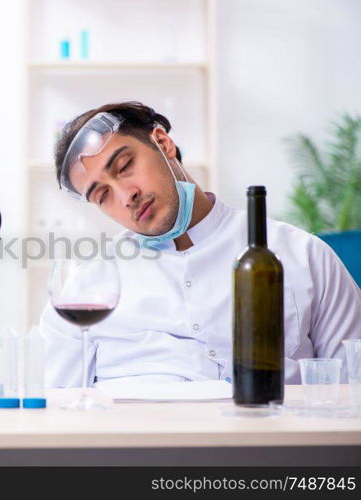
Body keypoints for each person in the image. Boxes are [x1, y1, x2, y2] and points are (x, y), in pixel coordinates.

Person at [40, 101, 361, 387]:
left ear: (162, 142)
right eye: (102, 195)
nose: (126, 197)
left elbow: (351, 394)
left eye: (124, 166)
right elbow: (55, 410)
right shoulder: (85, 289)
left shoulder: (304, 255)